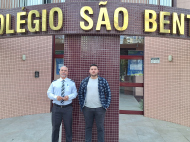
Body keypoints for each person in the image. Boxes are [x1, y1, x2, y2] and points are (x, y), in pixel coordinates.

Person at [78, 64, 111, 142]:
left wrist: (106, 105)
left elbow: (108, 93)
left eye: (95, 69)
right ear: (89, 71)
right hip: (87, 108)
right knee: (88, 127)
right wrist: (82, 104)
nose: (93, 70)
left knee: (100, 128)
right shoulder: (85, 81)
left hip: (100, 108)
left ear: (98, 71)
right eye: (92, 69)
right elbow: (80, 93)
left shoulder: (103, 80)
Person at [47, 66, 77, 142]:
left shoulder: (71, 83)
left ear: (67, 72)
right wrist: (55, 97)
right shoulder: (54, 83)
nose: (63, 72)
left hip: (67, 108)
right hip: (56, 109)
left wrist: (69, 97)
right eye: (62, 70)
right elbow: (49, 93)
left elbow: (75, 93)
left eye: (65, 70)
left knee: (68, 128)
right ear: (59, 72)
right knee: (55, 128)